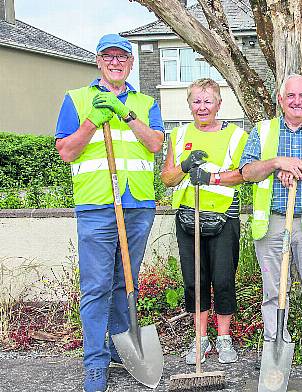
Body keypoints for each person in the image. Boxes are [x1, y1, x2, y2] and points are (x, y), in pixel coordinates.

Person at [55, 34, 164, 392]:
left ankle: (121, 347)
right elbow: (66, 151)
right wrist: (91, 121)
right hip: (96, 205)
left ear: (130, 63)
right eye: (108, 57)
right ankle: (95, 361)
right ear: (98, 61)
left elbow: (154, 144)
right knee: (96, 285)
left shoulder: (146, 102)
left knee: (125, 280)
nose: (116, 62)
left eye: (122, 57)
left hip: (137, 204)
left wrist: (125, 114)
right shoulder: (76, 99)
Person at [240, 74, 302, 369]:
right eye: (291, 96)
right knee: (273, 288)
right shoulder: (262, 131)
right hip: (272, 224)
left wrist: (299, 166)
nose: (297, 101)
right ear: (281, 100)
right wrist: (276, 164)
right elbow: (247, 172)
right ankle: (275, 341)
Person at [160, 78, 248, 365]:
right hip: (189, 217)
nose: (202, 107)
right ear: (188, 104)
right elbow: (167, 178)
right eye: (196, 101)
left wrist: (211, 177)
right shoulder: (179, 134)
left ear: (219, 104)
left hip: (223, 216)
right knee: (194, 281)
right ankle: (200, 339)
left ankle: (223, 338)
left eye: (208, 101)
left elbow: (244, 174)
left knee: (222, 280)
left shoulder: (235, 135)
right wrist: (185, 167)